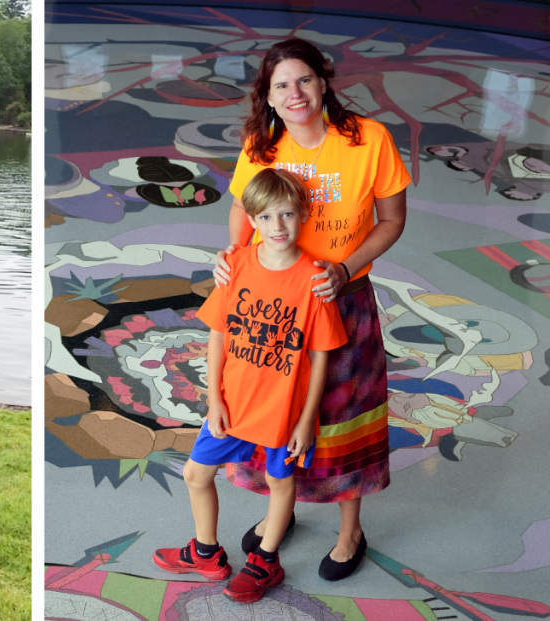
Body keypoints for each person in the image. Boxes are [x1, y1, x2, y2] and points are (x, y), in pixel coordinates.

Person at [213, 37, 411, 580]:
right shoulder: (261, 146)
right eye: (282, 85)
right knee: (277, 414)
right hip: (275, 309)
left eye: (304, 79)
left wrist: (345, 269)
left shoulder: (369, 140)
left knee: (344, 417)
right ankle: (284, 509)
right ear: (268, 97)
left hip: (341, 302)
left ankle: (351, 530)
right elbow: (240, 210)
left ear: (324, 83)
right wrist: (232, 262)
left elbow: (392, 220)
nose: (294, 93)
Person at [153, 168, 347, 603]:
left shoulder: (313, 280)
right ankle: (206, 553)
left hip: (282, 412)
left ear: (303, 215)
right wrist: (213, 398)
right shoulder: (236, 266)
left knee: (281, 484)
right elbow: (218, 334)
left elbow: (320, 358)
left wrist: (306, 419)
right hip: (233, 405)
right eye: (266, 217)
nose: (277, 227)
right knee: (195, 473)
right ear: (252, 220)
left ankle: (265, 560)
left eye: (287, 215)